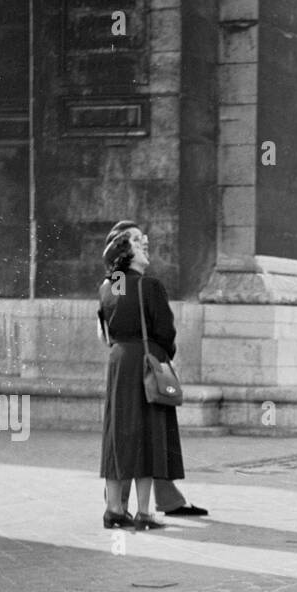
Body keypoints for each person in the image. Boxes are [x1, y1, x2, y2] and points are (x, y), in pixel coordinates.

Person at [98, 222, 206, 520]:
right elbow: (165, 332)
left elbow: (109, 322)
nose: (144, 242)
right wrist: (163, 355)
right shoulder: (151, 286)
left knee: (118, 432)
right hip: (145, 363)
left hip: (118, 364)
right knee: (148, 433)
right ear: (125, 249)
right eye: (136, 240)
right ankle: (144, 512)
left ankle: (115, 508)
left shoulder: (109, 285)